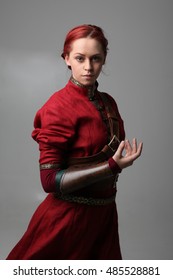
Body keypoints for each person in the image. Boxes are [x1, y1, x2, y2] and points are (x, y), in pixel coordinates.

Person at [6, 24, 143, 260]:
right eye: (80, 58)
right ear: (67, 58)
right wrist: (113, 166)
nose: (88, 67)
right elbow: (49, 181)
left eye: (96, 59)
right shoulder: (58, 108)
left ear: (104, 59)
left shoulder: (109, 102)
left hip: (105, 217)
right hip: (68, 220)